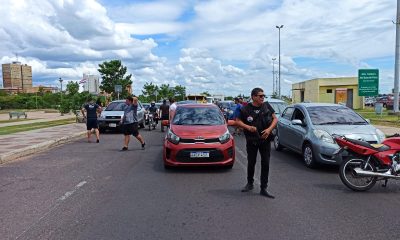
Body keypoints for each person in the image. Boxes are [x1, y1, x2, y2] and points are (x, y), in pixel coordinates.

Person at [235, 87, 278, 198]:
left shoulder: (267, 106)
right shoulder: (246, 109)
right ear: (253, 97)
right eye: (260, 96)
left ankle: (264, 188)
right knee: (251, 162)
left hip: (265, 140)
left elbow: (275, 119)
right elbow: (237, 121)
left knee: (266, 164)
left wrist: (269, 130)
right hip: (252, 141)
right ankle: (250, 183)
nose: (262, 97)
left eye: (264, 96)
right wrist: (248, 127)